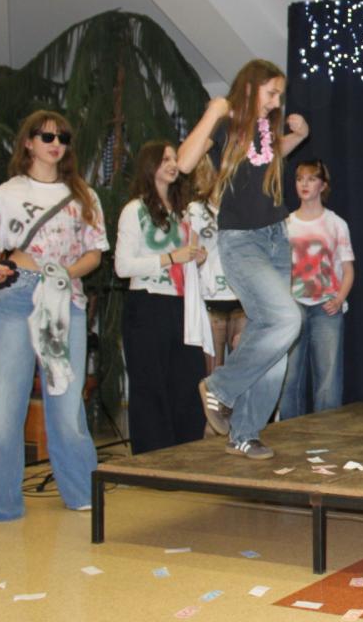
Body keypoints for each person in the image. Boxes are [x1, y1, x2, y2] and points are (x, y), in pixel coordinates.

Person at [0, 110, 108, 520]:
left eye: (62, 138)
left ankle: (82, 493)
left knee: (67, 403)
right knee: (3, 407)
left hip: (64, 299)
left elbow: (94, 254)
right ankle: (0, 503)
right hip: (16, 296)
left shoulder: (84, 195)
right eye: (47, 136)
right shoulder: (4, 194)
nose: (56, 144)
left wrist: (64, 275)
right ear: (28, 142)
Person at [176, 59, 308, 460]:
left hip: (276, 239)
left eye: (279, 96)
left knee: (274, 341)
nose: (276, 102)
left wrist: (299, 136)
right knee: (287, 319)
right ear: (250, 88)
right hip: (242, 242)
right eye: (271, 93)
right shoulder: (225, 123)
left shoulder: (264, 131)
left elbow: (270, 158)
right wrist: (213, 112)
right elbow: (184, 162)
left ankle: (244, 433)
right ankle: (219, 386)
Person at [115, 141, 208, 454]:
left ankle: (185, 455)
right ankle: (153, 458)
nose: (172, 164)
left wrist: (196, 258)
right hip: (147, 304)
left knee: (187, 383)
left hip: (182, 305)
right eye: (165, 159)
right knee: (150, 386)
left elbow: (185, 258)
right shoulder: (134, 210)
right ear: (149, 164)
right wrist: (170, 258)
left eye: (174, 158)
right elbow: (123, 266)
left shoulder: (182, 212)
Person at [280, 159, 354, 419]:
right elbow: (278, 268)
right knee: (289, 378)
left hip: (326, 307)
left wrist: (340, 298)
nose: (304, 184)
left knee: (328, 380)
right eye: (300, 179)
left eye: (311, 179)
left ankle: (326, 435)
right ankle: (289, 432)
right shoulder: (286, 224)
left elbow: (348, 269)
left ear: (323, 185)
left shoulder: (336, 224)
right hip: (293, 307)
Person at [186, 155, 246, 376]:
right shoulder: (196, 209)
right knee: (213, 372)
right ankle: (210, 402)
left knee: (241, 369)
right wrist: (196, 258)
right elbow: (188, 252)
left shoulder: (242, 208)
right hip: (211, 297)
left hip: (240, 296)